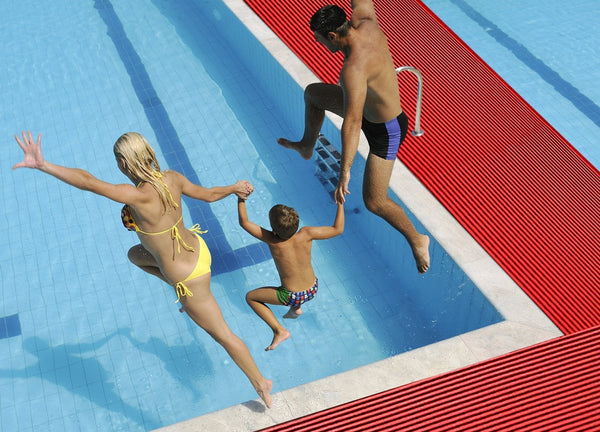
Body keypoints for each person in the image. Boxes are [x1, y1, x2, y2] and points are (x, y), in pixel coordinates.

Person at [13, 131, 273, 407]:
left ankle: (260, 382)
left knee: (223, 335)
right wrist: (234, 188)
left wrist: (43, 164)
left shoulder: (136, 195)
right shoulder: (172, 178)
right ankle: (184, 295)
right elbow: (208, 195)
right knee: (135, 255)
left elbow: (88, 182)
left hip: (189, 276)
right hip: (198, 249)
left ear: (123, 163)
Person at [277, 1, 430, 273]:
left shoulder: (353, 69)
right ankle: (307, 146)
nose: (318, 43)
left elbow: (352, 122)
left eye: (319, 39)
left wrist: (344, 172)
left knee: (375, 201)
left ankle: (417, 239)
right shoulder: (366, 21)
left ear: (332, 36)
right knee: (313, 94)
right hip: (368, 112)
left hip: (387, 130)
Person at [237, 195, 344, 351]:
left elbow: (244, 222)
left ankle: (279, 331)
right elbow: (338, 229)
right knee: (296, 286)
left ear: (274, 231)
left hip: (291, 295)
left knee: (251, 297)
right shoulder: (307, 233)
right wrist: (340, 203)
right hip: (312, 288)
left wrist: (241, 198)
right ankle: (296, 309)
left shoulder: (272, 240)